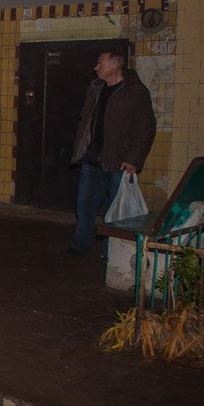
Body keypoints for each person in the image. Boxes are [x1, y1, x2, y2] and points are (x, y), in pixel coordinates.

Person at [67, 50, 156, 255]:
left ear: (115, 65)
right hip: (93, 157)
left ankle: (112, 251)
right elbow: (87, 120)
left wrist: (134, 158)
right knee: (85, 203)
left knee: (115, 209)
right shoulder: (96, 88)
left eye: (100, 64)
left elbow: (146, 128)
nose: (96, 68)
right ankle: (80, 243)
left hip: (119, 160)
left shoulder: (135, 92)